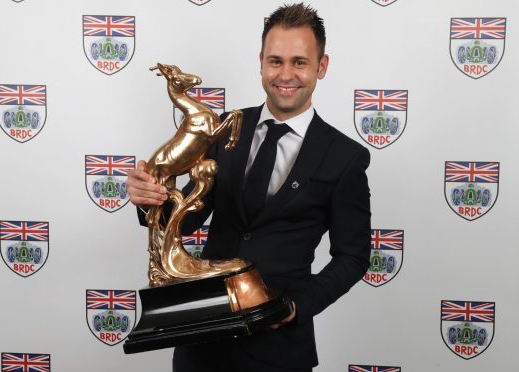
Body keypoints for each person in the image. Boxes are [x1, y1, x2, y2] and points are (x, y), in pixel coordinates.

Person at [127, 3, 371, 371]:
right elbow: (187, 221)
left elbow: (352, 257)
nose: (285, 74)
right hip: (201, 342)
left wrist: (295, 306)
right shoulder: (226, 128)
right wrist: (150, 197)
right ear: (260, 62)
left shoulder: (345, 157)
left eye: (299, 62)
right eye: (275, 61)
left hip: (280, 350)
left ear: (321, 66)